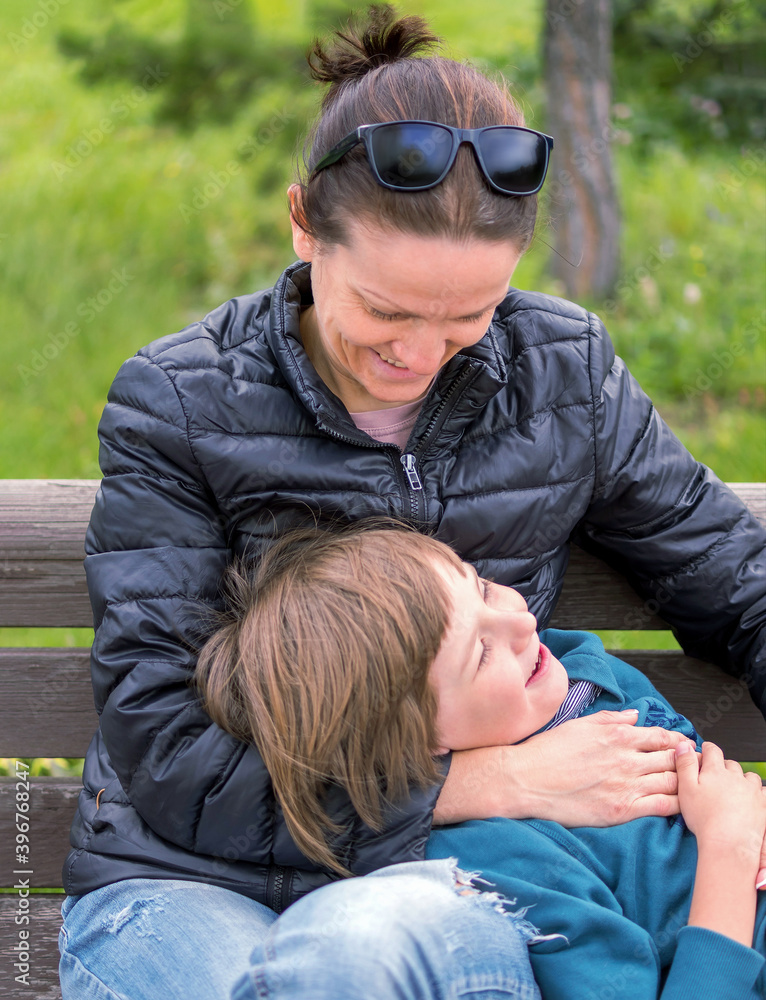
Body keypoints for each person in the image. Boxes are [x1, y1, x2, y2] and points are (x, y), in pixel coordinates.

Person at [58, 5, 766, 999]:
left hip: (438, 887)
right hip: (188, 877)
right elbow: (169, 751)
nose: (418, 355)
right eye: (386, 311)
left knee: (361, 951)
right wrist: (488, 783)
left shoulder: (563, 373)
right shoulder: (179, 402)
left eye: (468, 317)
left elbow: (737, 586)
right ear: (305, 225)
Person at [193, 521, 766, 1000]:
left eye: (483, 589)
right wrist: (730, 855)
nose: (522, 622)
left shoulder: (585, 672)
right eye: (481, 653)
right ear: (418, 742)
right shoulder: (499, 859)